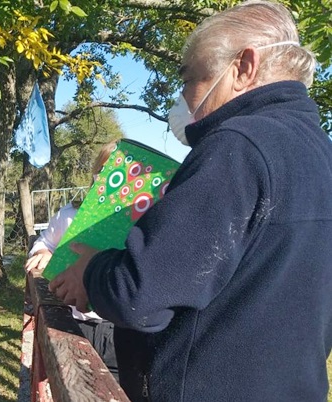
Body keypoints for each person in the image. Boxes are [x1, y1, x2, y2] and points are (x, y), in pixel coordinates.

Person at [49, 1, 332, 401]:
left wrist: (90, 271)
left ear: (244, 67)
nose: (183, 96)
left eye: (190, 78)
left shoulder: (237, 147)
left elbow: (139, 294)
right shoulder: (321, 151)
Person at [25, 141, 119, 378]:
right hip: (73, 319)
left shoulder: (141, 221)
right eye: (104, 171)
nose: (110, 180)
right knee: (72, 379)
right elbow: (45, 242)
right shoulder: (71, 215)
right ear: (95, 174)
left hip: (117, 328)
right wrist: (43, 253)